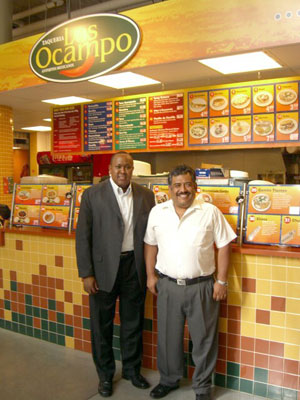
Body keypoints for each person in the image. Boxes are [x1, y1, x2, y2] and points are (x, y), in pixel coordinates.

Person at [144, 164, 237, 400]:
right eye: (177, 185)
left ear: (195, 187)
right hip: (167, 285)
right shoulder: (158, 212)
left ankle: (203, 388)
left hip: (202, 287)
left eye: (187, 184)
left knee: (204, 340)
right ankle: (168, 380)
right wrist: (150, 276)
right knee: (167, 338)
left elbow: (225, 244)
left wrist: (222, 282)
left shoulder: (210, 211)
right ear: (170, 188)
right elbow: (150, 244)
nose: (182, 190)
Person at [76, 151, 155, 397]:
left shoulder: (146, 195)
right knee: (102, 326)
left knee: (133, 323)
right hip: (102, 270)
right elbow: (83, 237)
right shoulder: (92, 195)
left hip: (135, 267)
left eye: (128, 167)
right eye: (119, 167)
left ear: (133, 170)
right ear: (110, 169)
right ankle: (105, 376)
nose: (123, 171)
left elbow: (153, 235)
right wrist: (86, 274)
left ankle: (132, 370)